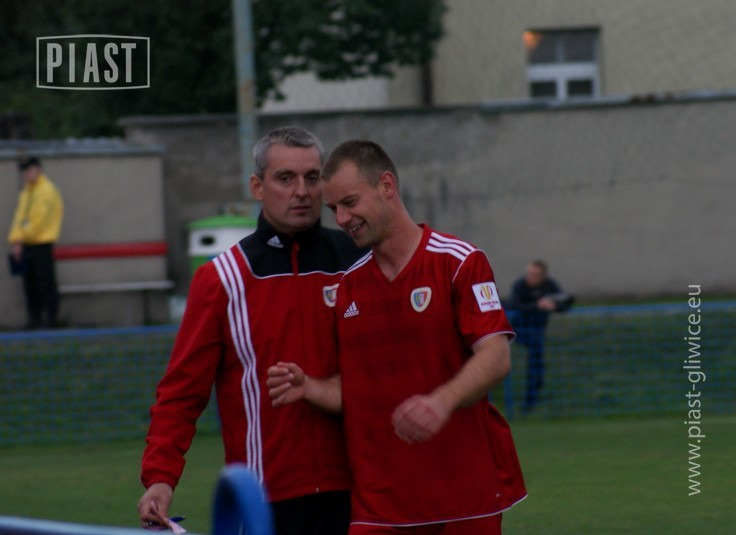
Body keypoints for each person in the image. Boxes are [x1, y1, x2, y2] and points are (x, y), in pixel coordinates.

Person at [268, 140, 526, 534]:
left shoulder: (458, 262)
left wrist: (442, 401)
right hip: (379, 504)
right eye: (334, 208)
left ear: (386, 185)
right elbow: (360, 390)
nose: (342, 218)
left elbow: (496, 355)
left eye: (350, 202)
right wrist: (311, 388)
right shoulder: (347, 288)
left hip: (463, 497)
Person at [138, 127, 365, 534]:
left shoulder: (359, 261)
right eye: (285, 178)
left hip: (361, 495)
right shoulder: (222, 279)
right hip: (266, 502)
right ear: (257, 187)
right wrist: (160, 476)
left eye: (312, 177)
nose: (301, 191)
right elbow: (181, 392)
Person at [506, 260, 573, 413]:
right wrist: (537, 306)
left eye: (535, 274)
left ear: (543, 276)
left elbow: (567, 301)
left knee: (536, 365)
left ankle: (531, 402)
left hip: (537, 333)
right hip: (518, 330)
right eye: (530, 273)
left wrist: (554, 306)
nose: (531, 277)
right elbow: (513, 304)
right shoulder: (520, 285)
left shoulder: (549, 285)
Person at [7, 156, 64, 330]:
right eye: (25, 171)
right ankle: (35, 319)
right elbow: (19, 217)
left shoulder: (46, 190)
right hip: (26, 243)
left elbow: (39, 220)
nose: (27, 174)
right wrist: (16, 239)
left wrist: (20, 238)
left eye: (30, 169)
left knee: (45, 281)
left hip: (42, 243)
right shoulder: (26, 192)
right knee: (29, 283)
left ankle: (51, 319)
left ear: (38, 169)